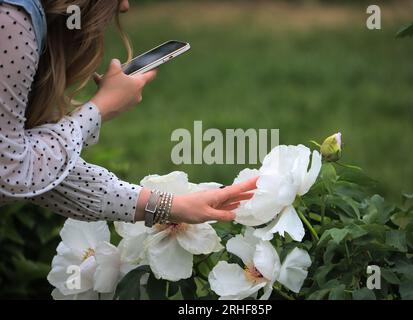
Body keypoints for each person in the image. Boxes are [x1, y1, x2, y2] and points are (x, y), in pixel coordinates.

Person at [0, 0, 257, 225]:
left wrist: (171, 206)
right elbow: (10, 172)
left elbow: (37, 168)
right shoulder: (12, 18)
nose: (124, 5)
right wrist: (98, 109)